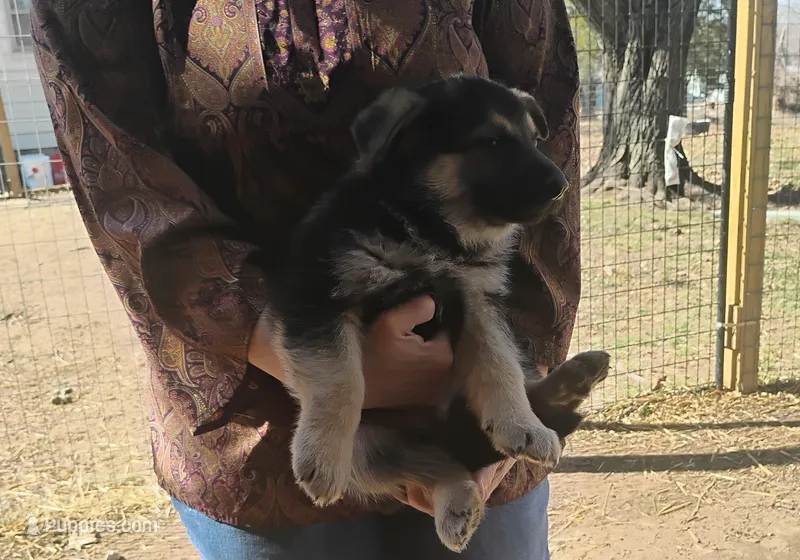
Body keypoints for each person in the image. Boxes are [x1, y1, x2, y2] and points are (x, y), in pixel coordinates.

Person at [31, 1, 581, 558]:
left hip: (463, 404)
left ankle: (450, 478)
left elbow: (549, 117)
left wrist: (515, 407)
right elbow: (121, 178)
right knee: (363, 453)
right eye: (492, 144)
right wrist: (339, 389)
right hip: (252, 414)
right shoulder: (357, 228)